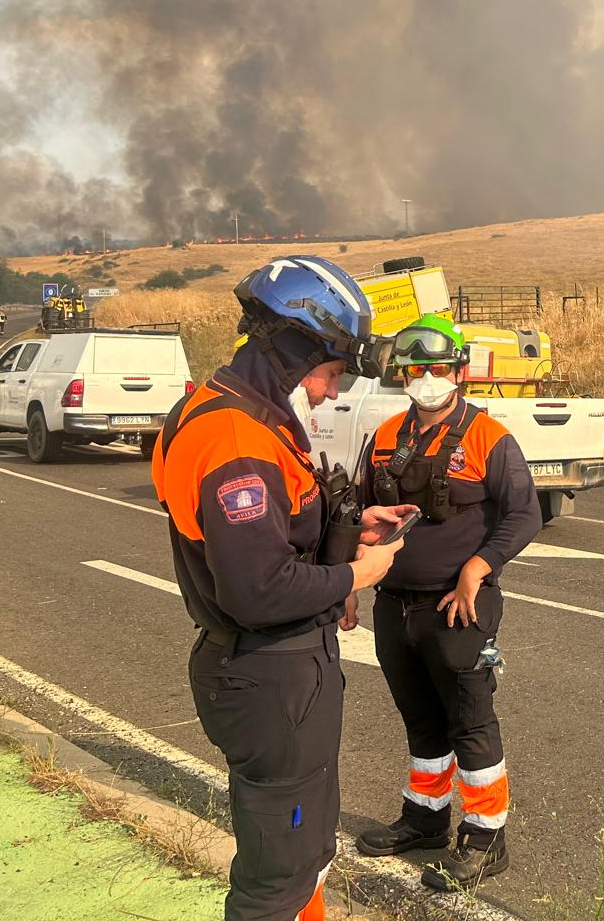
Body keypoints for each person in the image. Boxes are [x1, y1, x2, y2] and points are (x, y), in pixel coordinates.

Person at [153, 255, 413, 921]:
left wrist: (350, 528)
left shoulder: (242, 411)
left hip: (281, 671)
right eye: (329, 373)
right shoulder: (234, 439)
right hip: (268, 672)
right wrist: (362, 573)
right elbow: (258, 589)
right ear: (293, 351)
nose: (331, 392)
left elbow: (277, 524)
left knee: (303, 855)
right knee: (278, 877)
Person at [354, 315, 542, 892]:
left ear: (459, 372)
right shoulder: (385, 436)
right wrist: (347, 585)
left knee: (470, 721)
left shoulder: (490, 438)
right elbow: (360, 517)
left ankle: (487, 839)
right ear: (402, 375)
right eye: (416, 369)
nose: (428, 378)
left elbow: (524, 514)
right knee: (421, 720)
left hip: (458, 608)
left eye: (438, 368)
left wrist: (476, 570)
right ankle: (425, 820)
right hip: (394, 605)